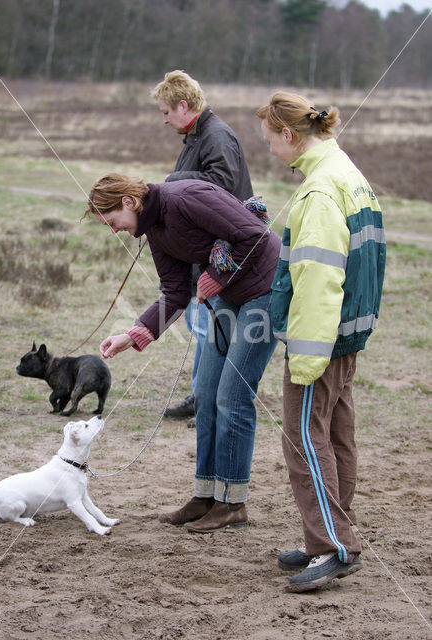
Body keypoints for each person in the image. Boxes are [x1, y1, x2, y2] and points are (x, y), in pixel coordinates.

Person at [85, 174, 280, 532]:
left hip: (265, 291)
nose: (114, 231)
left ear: (127, 202)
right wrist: (135, 333)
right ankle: (205, 495)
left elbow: (255, 234)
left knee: (232, 397)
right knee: (206, 394)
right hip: (229, 296)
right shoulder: (154, 230)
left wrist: (216, 277)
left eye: (112, 222)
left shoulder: (185, 197)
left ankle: (233, 503)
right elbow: (175, 292)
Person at [257, 92, 386, 591]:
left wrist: (305, 356)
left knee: (304, 441)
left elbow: (317, 278)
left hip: (322, 343)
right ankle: (333, 534)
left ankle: (333, 544)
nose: (269, 150)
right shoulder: (347, 174)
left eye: (270, 140)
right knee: (336, 436)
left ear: (288, 135)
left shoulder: (319, 192)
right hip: (348, 335)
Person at [151, 70, 253, 422]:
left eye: (165, 112)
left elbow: (219, 185)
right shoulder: (197, 136)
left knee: (214, 333)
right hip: (205, 251)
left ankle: (208, 402)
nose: (164, 120)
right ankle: (201, 396)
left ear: (183, 106)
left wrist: (173, 180)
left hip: (221, 255)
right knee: (204, 330)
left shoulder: (217, 136)